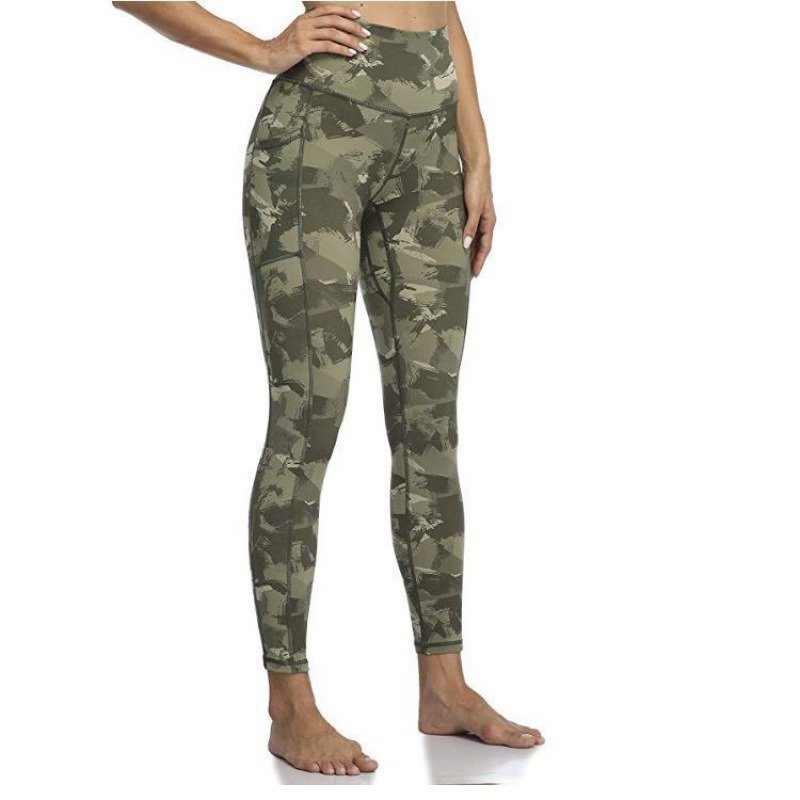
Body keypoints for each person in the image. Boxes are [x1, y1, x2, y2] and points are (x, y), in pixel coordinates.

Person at [112, 0, 544, 776]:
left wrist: (476, 149)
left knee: (430, 425)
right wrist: (260, 50)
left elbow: (443, 9)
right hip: (320, 136)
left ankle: (444, 686)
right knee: (309, 414)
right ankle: (290, 705)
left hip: (430, 147)